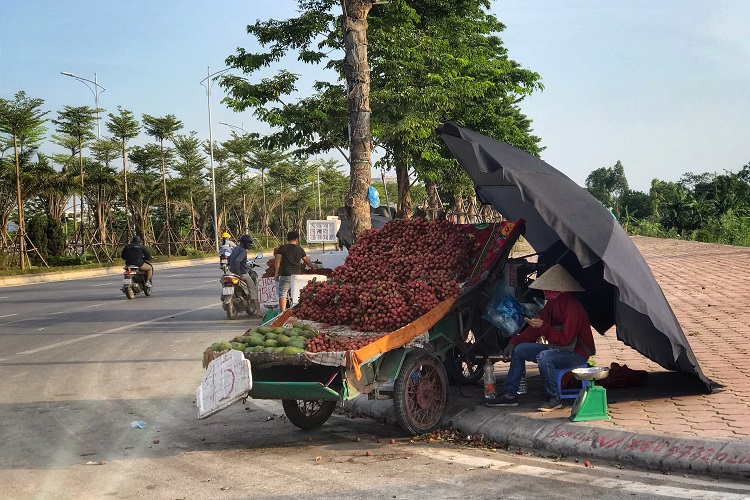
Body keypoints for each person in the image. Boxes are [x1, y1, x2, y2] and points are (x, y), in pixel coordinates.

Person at [490, 264, 595, 412]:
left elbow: (565, 339)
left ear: (562, 289)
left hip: (576, 353)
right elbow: (535, 331)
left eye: (550, 288)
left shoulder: (573, 308)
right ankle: (510, 394)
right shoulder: (552, 304)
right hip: (558, 348)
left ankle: (554, 398)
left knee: (544, 357)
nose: (546, 291)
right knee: (520, 350)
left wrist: (543, 327)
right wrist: (514, 341)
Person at [274, 230, 315, 312]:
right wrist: (314, 267)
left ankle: (282, 313)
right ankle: (296, 311)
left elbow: (277, 261)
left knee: (283, 293)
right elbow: (308, 262)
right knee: (295, 293)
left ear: (288, 239)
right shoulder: (300, 249)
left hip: (286, 275)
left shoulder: (282, 248)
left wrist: (276, 274)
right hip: (297, 276)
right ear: (296, 239)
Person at [228, 234, 261, 317]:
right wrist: (239, 273)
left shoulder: (235, 248)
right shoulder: (243, 251)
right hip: (242, 274)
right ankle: (259, 312)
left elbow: (229, 260)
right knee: (253, 289)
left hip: (231, 273)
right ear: (244, 243)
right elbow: (237, 261)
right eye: (249, 243)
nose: (250, 245)